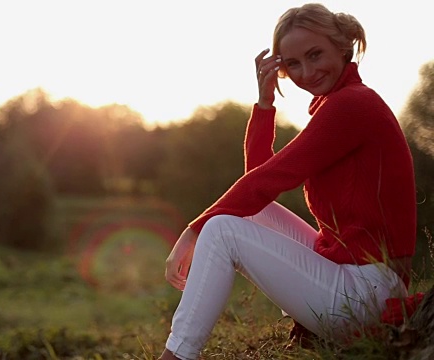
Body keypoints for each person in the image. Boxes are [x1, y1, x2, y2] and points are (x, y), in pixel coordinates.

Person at [158, 3, 417, 360]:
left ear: (342, 45)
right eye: (293, 64)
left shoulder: (353, 105)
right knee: (247, 212)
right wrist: (264, 105)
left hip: (367, 295)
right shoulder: (337, 103)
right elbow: (258, 188)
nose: (307, 72)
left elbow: (270, 179)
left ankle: (176, 356)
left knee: (220, 229)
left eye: (315, 55)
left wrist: (194, 230)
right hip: (356, 277)